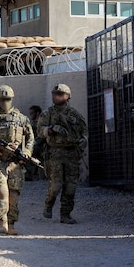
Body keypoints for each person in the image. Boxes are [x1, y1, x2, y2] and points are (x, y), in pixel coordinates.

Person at [0, 85, 34, 235]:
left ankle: (11, 223)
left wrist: (27, 152)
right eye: (2, 99)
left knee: (14, 194)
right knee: (2, 191)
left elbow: (30, 138)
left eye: (7, 99)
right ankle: (2, 222)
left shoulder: (21, 118)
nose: (5, 102)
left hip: (16, 162)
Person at [38, 84, 89, 224]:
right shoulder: (47, 113)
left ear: (67, 96)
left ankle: (65, 214)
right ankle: (49, 204)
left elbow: (84, 130)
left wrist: (83, 140)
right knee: (56, 184)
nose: (56, 96)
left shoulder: (74, 114)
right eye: (54, 93)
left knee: (71, 186)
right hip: (55, 152)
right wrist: (51, 128)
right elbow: (39, 130)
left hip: (72, 153)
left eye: (59, 94)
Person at [26, 105, 45, 181]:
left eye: (32, 113)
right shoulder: (33, 123)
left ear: (37, 113)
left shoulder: (42, 123)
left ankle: (29, 175)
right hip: (36, 145)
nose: (30, 115)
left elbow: (42, 137)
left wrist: (33, 143)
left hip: (42, 146)